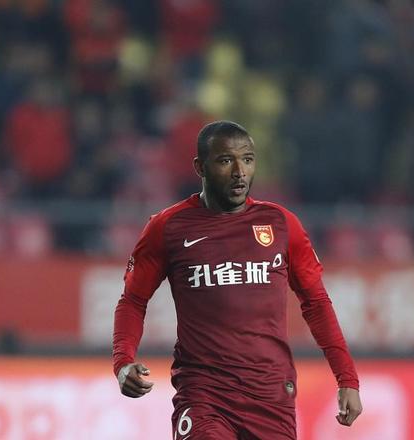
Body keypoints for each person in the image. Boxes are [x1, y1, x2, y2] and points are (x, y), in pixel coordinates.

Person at [112, 121, 362, 439]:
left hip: (271, 396)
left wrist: (347, 379)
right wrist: (123, 362)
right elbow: (133, 300)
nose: (239, 172)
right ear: (200, 167)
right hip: (204, 394)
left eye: (247, 159)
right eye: (225, 160)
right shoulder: (169, 227)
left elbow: (316, 303)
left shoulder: (281, 224)